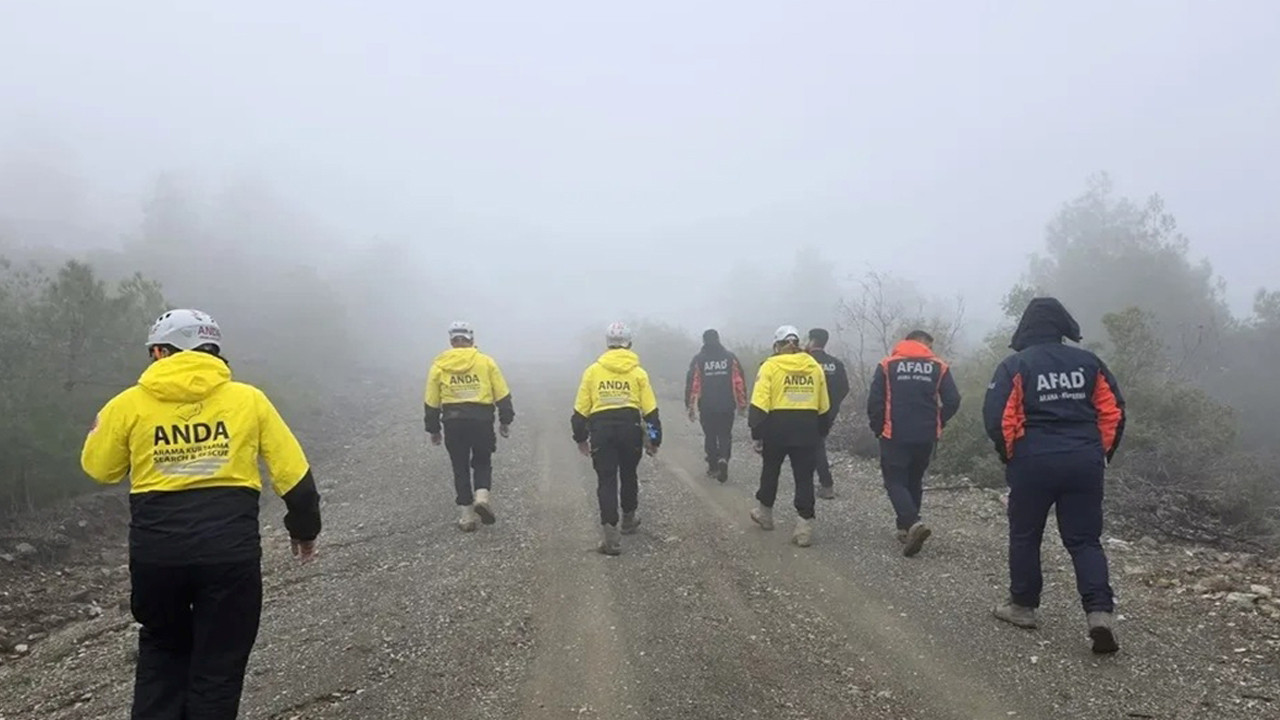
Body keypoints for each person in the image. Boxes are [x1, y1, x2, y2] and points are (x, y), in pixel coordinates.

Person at [81, 309, 322, 720]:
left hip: (157, 558)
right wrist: (303, 529)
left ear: (163, 351)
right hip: (229, 556)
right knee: (218, 667)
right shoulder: (249, 399)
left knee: (162, 655)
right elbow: (294, 474)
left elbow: (99, 469)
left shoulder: (127, 404)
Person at [982, 297, 1125, 654]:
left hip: (1033, 461)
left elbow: (999, 419)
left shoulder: (1016, 364)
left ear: (1026, 328)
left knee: (1026, 534)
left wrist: (1011, 456)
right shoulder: (1089, 362)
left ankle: (1023, 607)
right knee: (1085, 540)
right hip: (1084, 460)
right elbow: (1113, 413)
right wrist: (1099, 454)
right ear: (1063, 325)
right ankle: (1099, 613)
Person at [867, 329, 961, 557]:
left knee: (894, 481)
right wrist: (939, 420)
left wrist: (878, 428)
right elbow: (953, 399)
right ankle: (905, 527)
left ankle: (912, 524)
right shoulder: (939, 366)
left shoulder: (887, 365)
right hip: (926, 434)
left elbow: (875, 401)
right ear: (921, 343)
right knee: (914, 480)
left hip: (895, 433)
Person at [571, 321, 662, 555]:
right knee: (629, 474)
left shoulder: (593, 371)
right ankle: (629, 520)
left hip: (601, 431)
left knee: (606, 480)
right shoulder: (638, 372)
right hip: (630, 429)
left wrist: (580, 437)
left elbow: (581, 410)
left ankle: (611, 536)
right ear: (629, 343)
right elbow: (650, 411)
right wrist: (654, 439)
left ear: (607, 343)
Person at [424, 321, 515, 532]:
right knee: (482, 461)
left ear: (451, 341)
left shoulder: (439, 365)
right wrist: (505, 420)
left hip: (453, 421)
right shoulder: (485, 362)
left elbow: (431, 400)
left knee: (460, 466)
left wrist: (434, 429)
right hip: (481, 419)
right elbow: (502, 393)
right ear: (471, 340)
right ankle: (481, 497)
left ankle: (466, 517)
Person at [748, 325, 831, 547]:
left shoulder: (770, 366)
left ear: (777, 346)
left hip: (777, 428)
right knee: (804, 477)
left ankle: (765, 514)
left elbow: (759, 403)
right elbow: (824, 406)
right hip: (807, 428)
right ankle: (804, 527)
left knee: (770, 470)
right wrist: (821, 432)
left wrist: (757, 433)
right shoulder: (814, 366)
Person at [684, 328, 748, 483]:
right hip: (727, 405)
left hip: (707, 405)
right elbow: (739, 381)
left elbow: (692, 383)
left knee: (710, 435)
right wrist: (742, 403)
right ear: (718, 339)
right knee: (725, 434)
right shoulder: (730, 358)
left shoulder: (699, 359)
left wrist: (689, 405)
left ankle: (713, 466)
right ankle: (724, 458)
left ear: (704, 341)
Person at [805, 328, 850, 499]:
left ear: (811, 340)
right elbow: (845, 388)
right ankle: (819, 482)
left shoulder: (805, 361)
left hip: (807, 411)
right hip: (829, 413)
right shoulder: (836, 364)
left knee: (814, 446)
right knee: (817, 443)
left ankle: (826, 484)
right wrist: (833, 406)